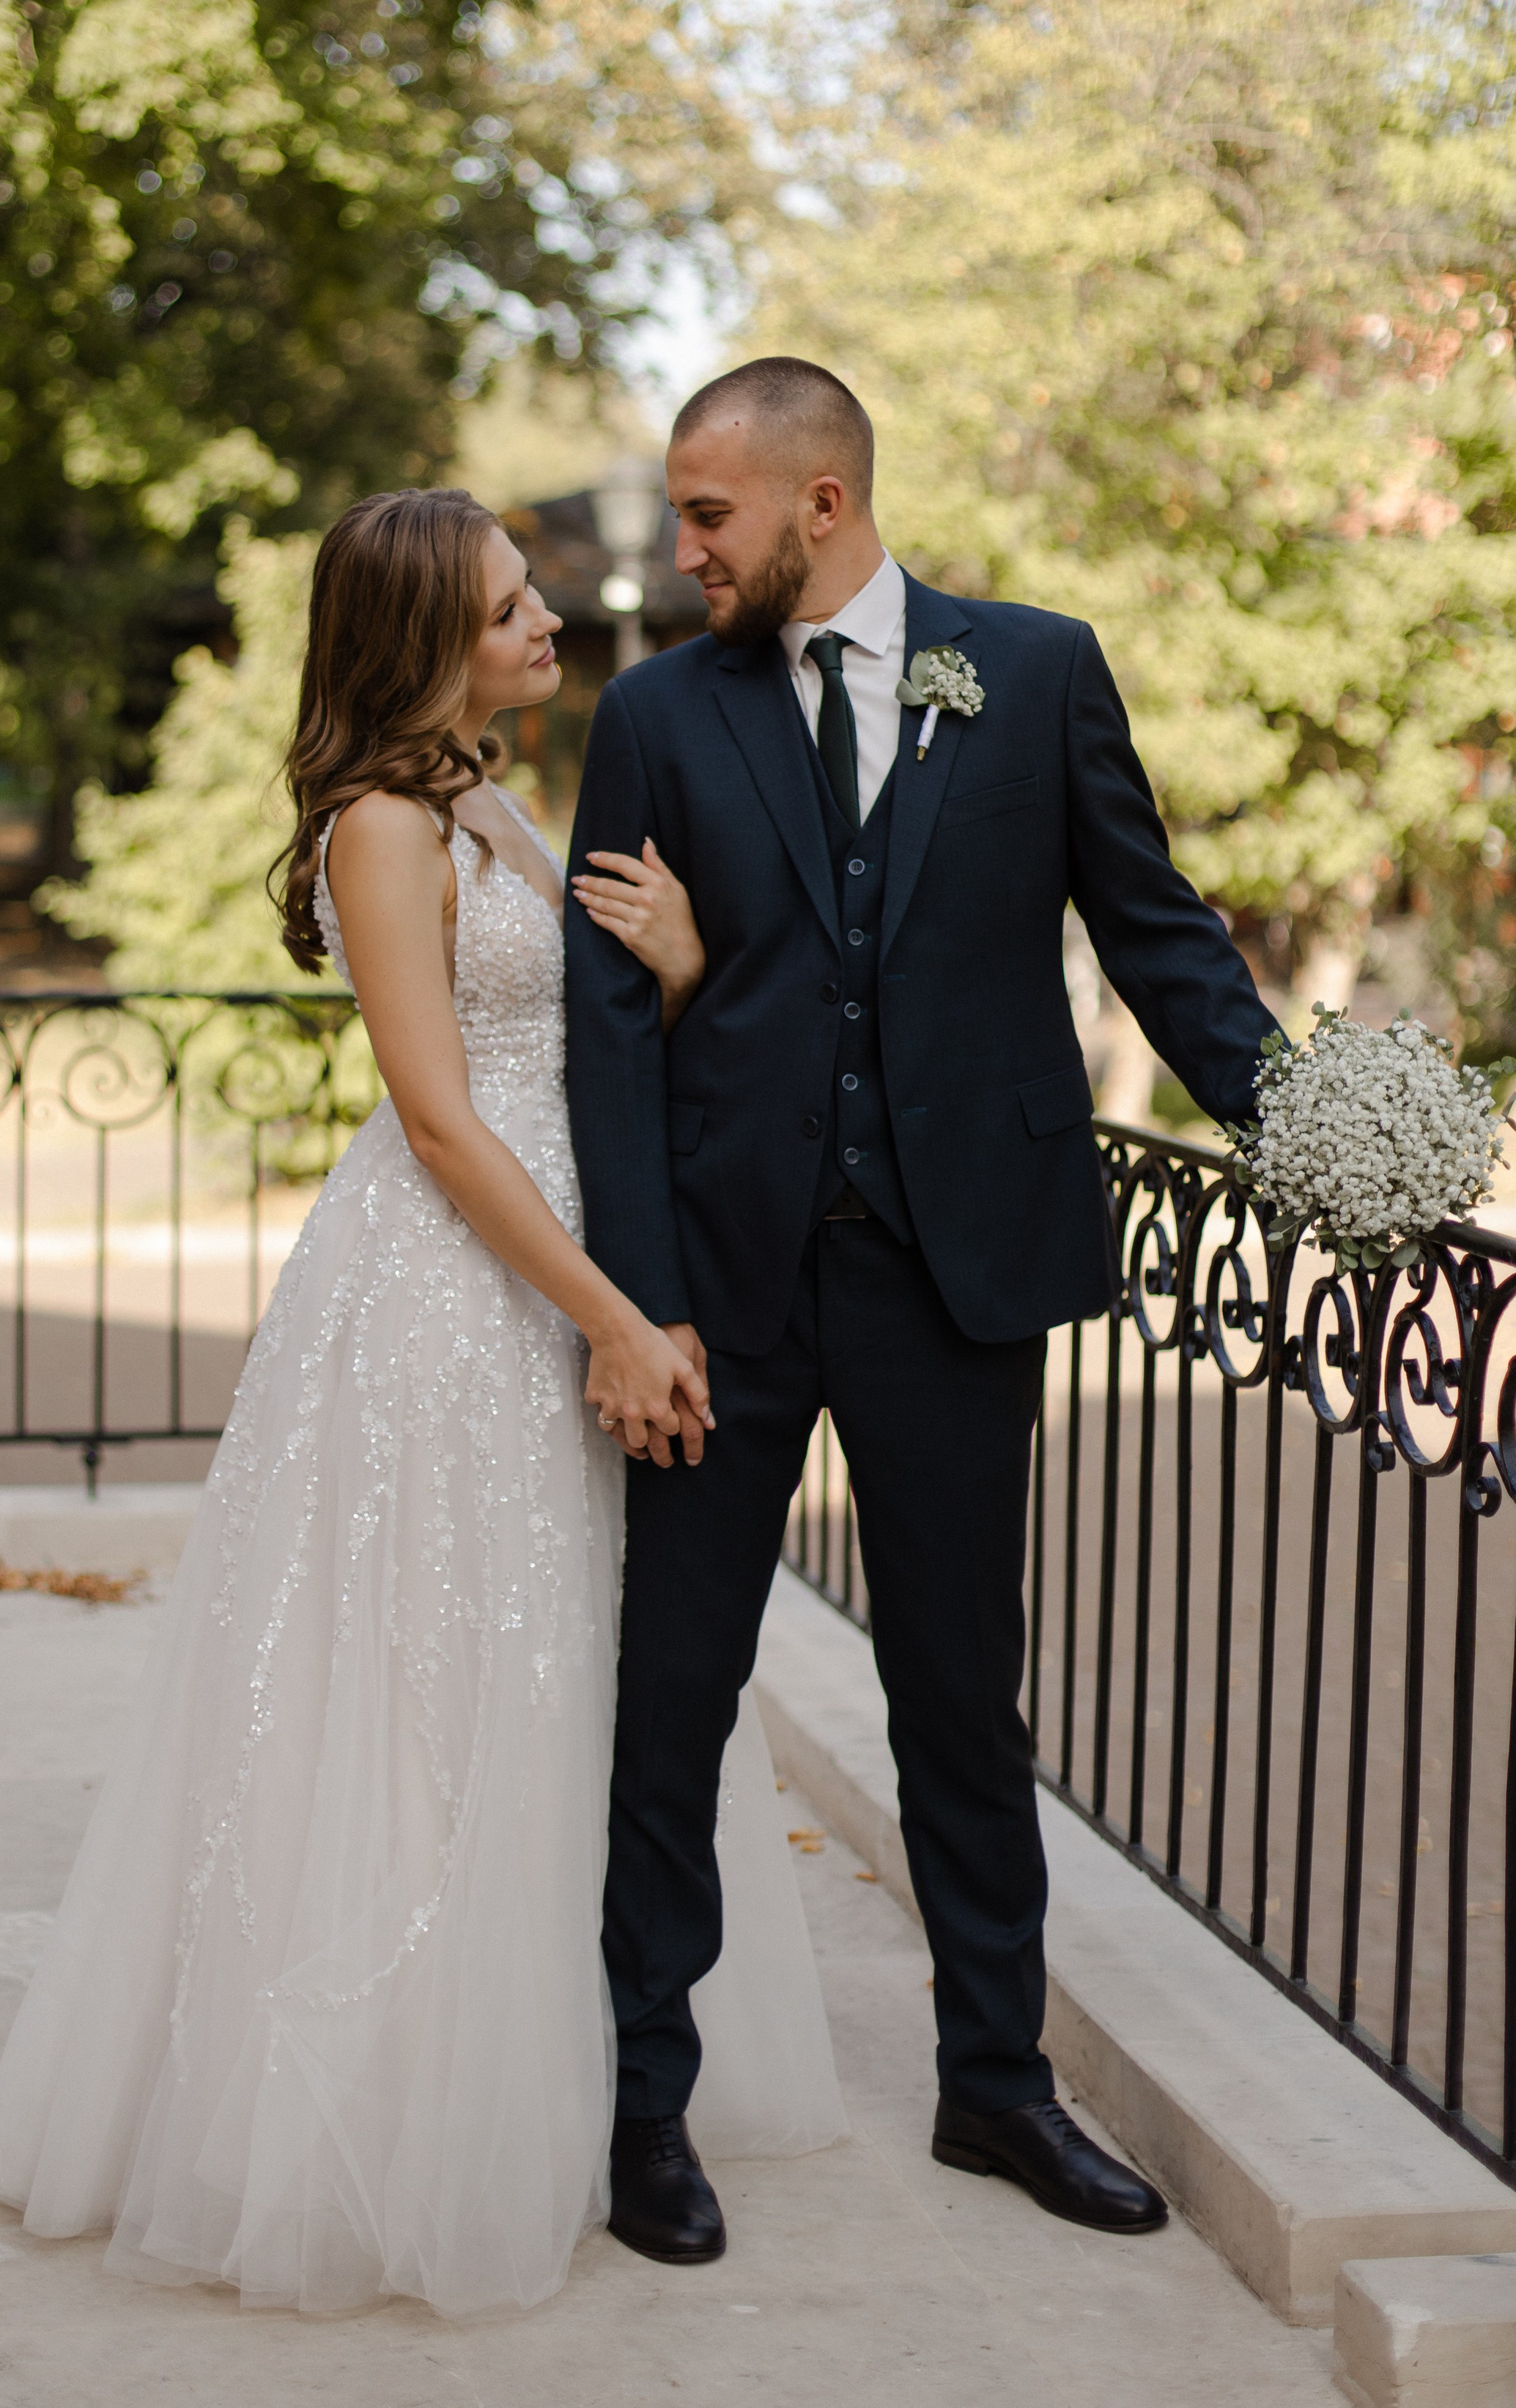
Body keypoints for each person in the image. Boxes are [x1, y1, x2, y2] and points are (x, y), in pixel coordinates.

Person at [0, 486, 843, 2319]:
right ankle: (389, 2120)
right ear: (428, 638)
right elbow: (443, 1119)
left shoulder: (493, 799)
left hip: (560, 1268)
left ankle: (579, 2078)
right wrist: (612, 1312)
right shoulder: (381, 826)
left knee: (563, 1675)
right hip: (461, 1297)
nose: (549, 625)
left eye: (536, 600)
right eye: (515, 606)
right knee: (429, 1691)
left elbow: (568, 1037)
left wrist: (678, 973)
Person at [566, 357, 1282, 2264]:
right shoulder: (653, 714)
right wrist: (636, 1307)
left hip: (960, 1277)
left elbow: (1154, 929)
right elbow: (605, 1033)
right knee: (674, 1696)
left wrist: (1305, 1127)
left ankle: (997, 2083)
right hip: (724, 1289)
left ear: (820, 502)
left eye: (708, 513)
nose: (679, 544)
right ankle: (645, 2106)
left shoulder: (1032, 670)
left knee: (961, 1691)